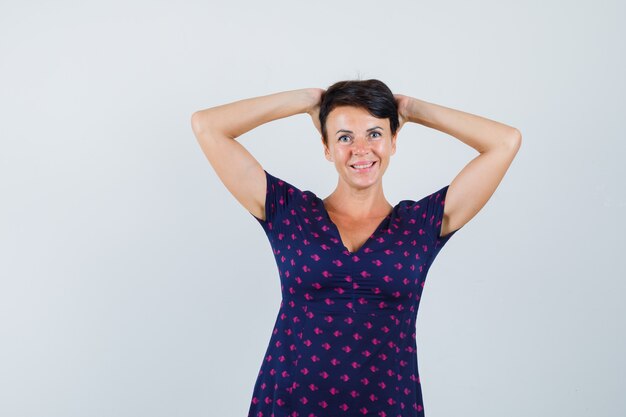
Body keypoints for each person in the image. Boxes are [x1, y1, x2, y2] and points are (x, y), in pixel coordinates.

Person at [191, 79, 521, 416]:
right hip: (290, 404)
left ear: (394, 141)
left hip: (388, 407)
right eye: (344, 137)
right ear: (326, 147)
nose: (361, 149)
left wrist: (409, 109)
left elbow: (505, 142)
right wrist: (306, 100)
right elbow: (207, 126)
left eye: (375, 133)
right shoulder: (289, 211)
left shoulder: (421, 225)